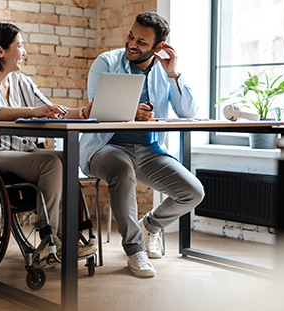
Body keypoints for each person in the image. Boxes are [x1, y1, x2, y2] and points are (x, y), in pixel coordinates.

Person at [80, 12, 205, 277]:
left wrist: (173, 74)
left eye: (142, 42)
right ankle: (135, 250)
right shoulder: (106, 62)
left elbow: (188, 113)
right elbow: (95, 110)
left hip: (150, 151)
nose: (132, 44)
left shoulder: (163, 69)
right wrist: (129, 112)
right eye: (131, 36)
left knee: (193, 192)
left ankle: (150, 225)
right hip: (106, 148)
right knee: (123, 172)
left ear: (158, 47)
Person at [0, 21, 96, 265]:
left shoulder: (23, 82)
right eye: (19, 46)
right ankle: (49, 238)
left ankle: (70, 234)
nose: (24, 52)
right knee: (50, 163)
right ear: (0, 51)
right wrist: (34, 111)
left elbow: (53, 110)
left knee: (68, 159)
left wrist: (85, 111)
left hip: (23, 152)